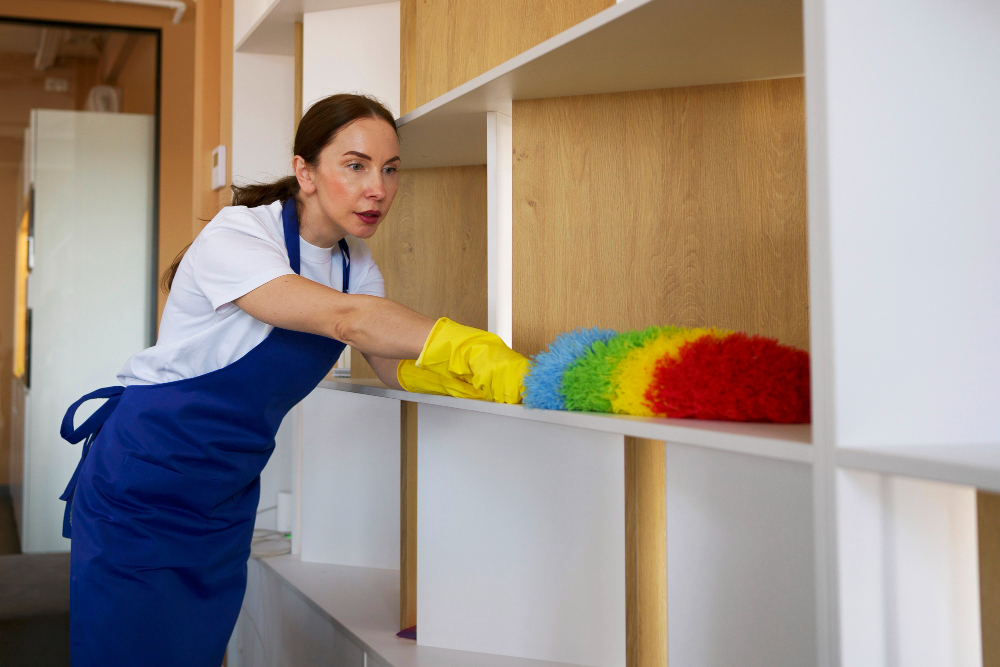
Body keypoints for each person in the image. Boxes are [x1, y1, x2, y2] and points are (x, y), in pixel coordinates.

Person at [58, 93, 527, 666]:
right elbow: (347, 320)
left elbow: (388, 362)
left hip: (224, 493)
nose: (377, 189)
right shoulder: (237, 235)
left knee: (195, 650)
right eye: (355, 165)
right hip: (147, 481)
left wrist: (468, 381)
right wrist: (472, 344)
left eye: (390, 169)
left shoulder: (355, 265)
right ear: (305, 172)